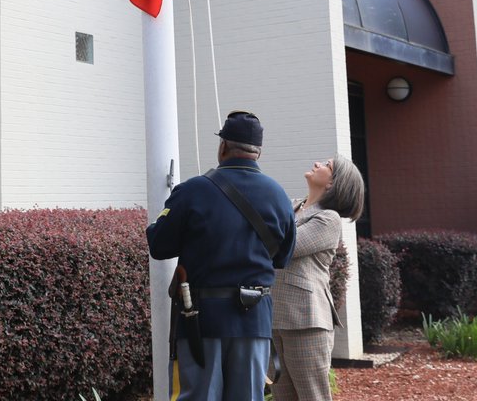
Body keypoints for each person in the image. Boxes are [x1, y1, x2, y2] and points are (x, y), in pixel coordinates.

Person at [146, 111, 296, 401]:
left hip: (201, 319)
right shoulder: (279, 196)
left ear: (223, 147)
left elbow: (159, 246)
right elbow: (282, 258)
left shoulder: (192, 191)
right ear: (258, 152)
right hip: (253, 320)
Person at [269, 154, 365, 401]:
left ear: (333, 184)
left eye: (327, 165)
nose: (317, 164)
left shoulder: (328, 219)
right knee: (282, 397)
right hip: (273, 316)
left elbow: (286, 248)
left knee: (313, 396)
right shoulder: (291, 206)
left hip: (306, 320)